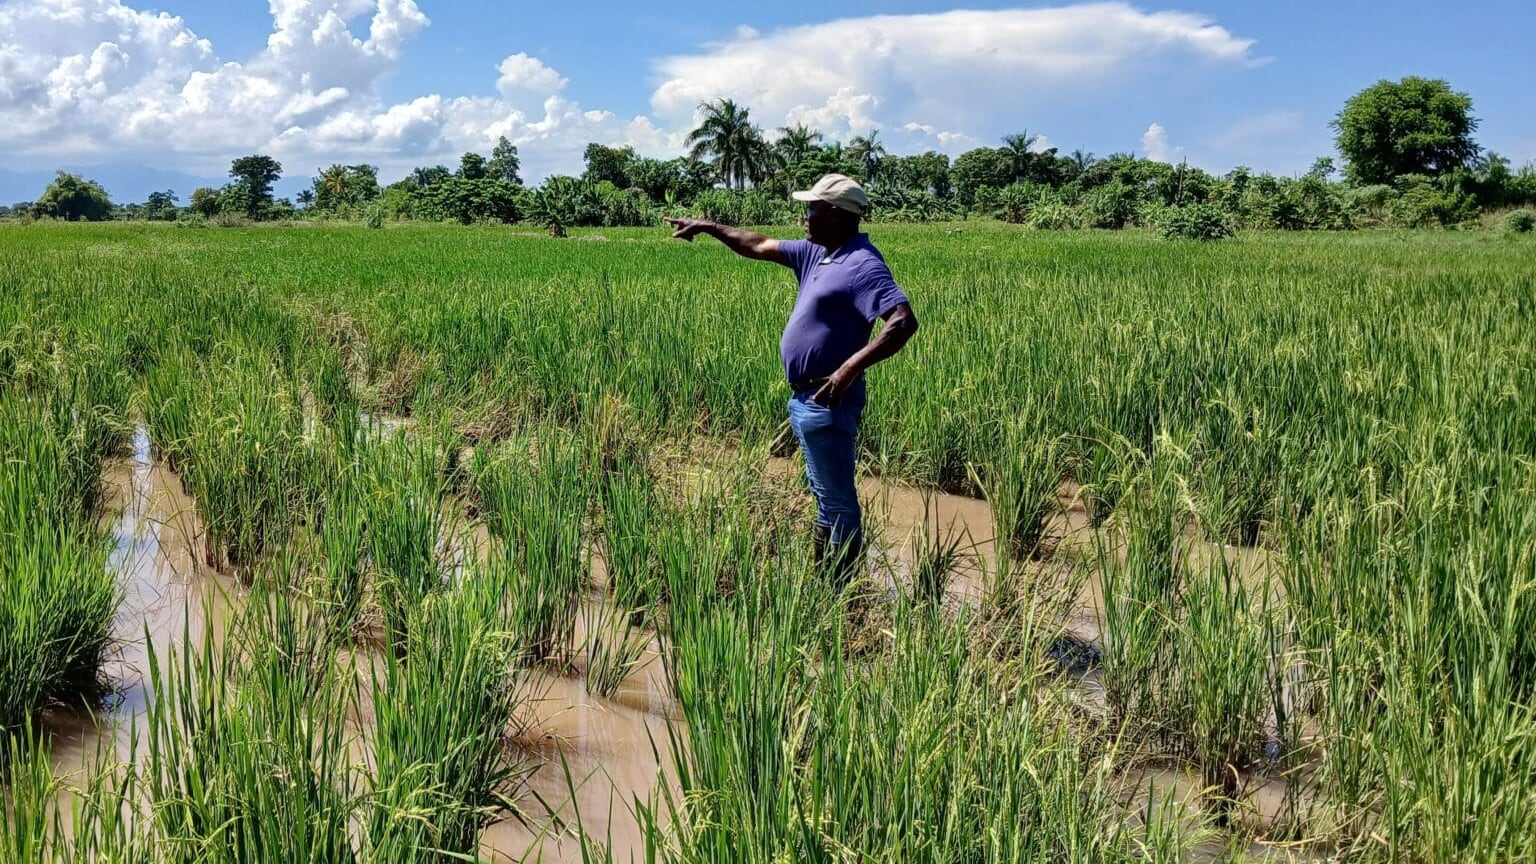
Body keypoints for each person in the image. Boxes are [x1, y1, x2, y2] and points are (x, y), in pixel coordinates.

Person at [664, 173, 918, 584]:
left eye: (812, 208)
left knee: (837, 503)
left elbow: (902, 322)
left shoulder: (861, 263)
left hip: (827, 399)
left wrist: (848, 369)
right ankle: (826, 586)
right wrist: (710, 228)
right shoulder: (818, 254)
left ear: (835, 214)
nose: (805, 216)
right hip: (806, 399)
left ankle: (841, 593)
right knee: (826, 498)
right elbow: (759, 244)